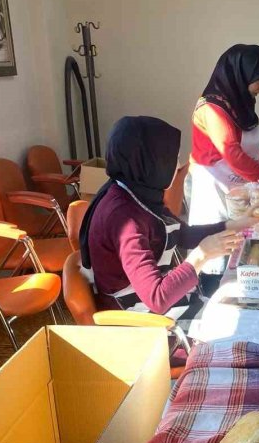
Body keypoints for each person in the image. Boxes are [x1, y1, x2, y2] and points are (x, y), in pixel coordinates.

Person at [79, 116, 247, 329]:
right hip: (139, 321)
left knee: (242, 314)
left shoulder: (137, 191)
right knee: (239, 329)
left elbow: (181, 233)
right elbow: (157, 298)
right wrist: (202, 255)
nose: (177, 165)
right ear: (149, 161)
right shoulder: (124, 218)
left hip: (160, 305)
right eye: (172, 158)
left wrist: (238, 224)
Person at [189, 44, 259, 289]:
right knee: (217, 246)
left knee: (239, 240)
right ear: (240, 75)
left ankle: (240, 289)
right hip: (211, 186)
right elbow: (231, 153)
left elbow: (245, 146)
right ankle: (211, 296)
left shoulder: (238, 103)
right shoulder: (212, 108)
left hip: (234, 185)